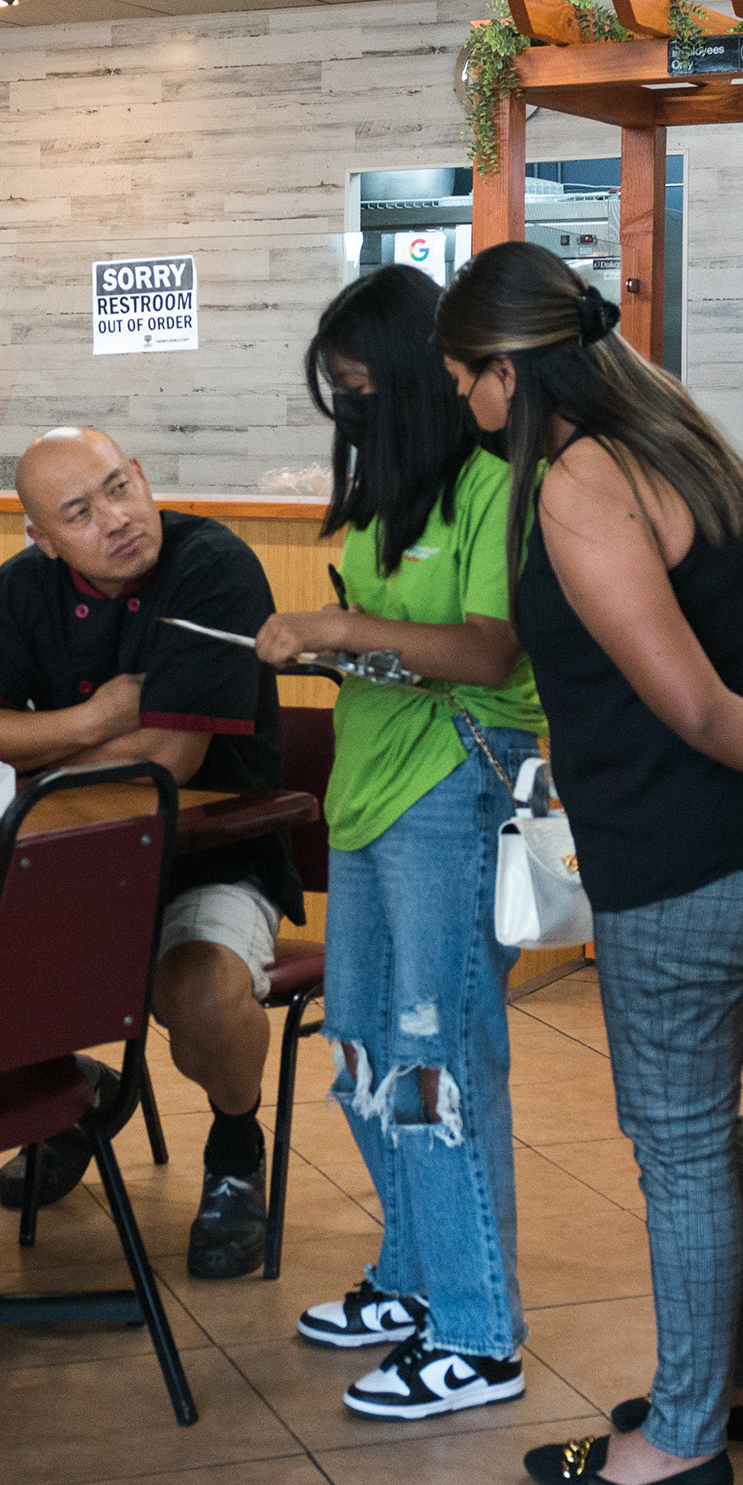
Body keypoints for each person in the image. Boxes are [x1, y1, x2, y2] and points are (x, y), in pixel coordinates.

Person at [433, 242, 743, 1485]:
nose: (468, 410)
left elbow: (694, 701)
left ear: (509, 372)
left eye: (468, 384)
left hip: (689, 851)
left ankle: (681, 1437)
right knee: (706, 1127)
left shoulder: (582, 481)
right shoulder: (683, 436)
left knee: (676, 1143)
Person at [259, 267, 545, 1419]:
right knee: (364, 1054)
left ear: (425, 378)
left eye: (364, 387)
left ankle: (478, 1334)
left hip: (452, 793)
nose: (354, 410)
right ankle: (416, 1275)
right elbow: (393, 644)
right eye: (342, 393)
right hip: (366, 793)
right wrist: (337, 646)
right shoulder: (390, 499)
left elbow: (486, 651)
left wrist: (339, 625)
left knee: (439, 1063)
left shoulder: (496, 485)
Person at [0, 426, 301, 1278]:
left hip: (209, 858)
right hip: (65, 865)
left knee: (200, 995)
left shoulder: (215, 567)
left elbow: (168, 759)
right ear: (42, 538)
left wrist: (32, 753)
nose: (117, 519)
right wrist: (95, 719)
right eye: (79, 512)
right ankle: (81, 1094)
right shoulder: (21, 589)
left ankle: (236, 1146)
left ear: (139, 475)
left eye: (118, 488)